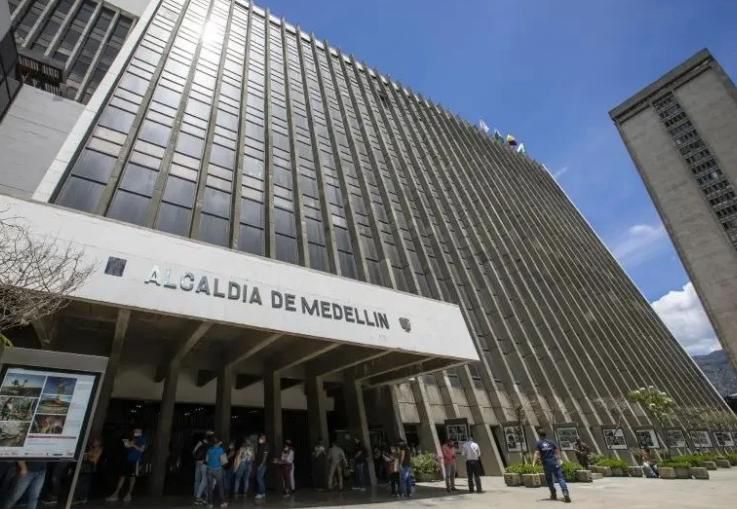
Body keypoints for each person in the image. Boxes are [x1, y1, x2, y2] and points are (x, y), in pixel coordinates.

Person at [106, 427, 147, 503]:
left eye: (137, 430)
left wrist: (133, 445)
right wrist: (127, 444)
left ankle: (129, 494)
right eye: (135, 430)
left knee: (132, 477)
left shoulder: (143, 439)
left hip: (135, 461)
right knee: (122, 476)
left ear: (141, 431)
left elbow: (142, 450)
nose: (135, 431)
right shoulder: (134, 438)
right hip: (127, 459)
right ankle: (115, 494)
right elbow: (128, 447)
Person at [533, 432, 571, 503]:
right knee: (560, 478)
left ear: (540, 436)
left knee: (549, 480)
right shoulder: (551, 442)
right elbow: (557, 451)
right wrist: (559, 459)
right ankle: (565, 492)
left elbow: (536, 453)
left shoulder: (539, 443)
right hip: (555, 462)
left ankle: (553, 494)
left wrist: (533, 464)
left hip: (546, 464)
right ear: (545, 435)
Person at [75, 437, 104, 503]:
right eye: (94, 441)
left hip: (90, 467)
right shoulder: (92, 448)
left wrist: (88, 456)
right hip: (86, 466)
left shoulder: (99, 450)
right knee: (81, 481)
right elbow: (87, 456)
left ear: (99, 442)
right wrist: (88, 455)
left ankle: (83, 497)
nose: (94, 442)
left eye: (95, 441)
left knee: (84, 482)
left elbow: (94, 459)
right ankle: (80, 497)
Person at [205, 436, 227, 508]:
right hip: (218, 469)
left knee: (210, 487)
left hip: (209, 469)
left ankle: (210, 503)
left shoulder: (209, 450)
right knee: (220, 486)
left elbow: (207, 460)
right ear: (218, 443)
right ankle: (222, 502)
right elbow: (224, 462)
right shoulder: (221, 450)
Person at [194, 431, 213, 505]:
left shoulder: (201, 442)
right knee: (203, 480)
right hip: (204, 463)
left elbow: (194, 451)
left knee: (199, 480)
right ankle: (199, 496)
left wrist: (198, 459)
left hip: (200, 462)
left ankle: (197, 496)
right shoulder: (210, 444)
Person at [254, 434, 270, 500]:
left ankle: (261, 493)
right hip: (260, 464)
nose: (260, 439)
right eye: (260, 437)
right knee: (260, 479)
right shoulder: (261, 446)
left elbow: (265, 457)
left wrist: (261, 465)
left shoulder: (266, 445)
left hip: (262, 465)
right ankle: (263, 493)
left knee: (259, 478)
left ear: (265, 439)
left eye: (262, 438)